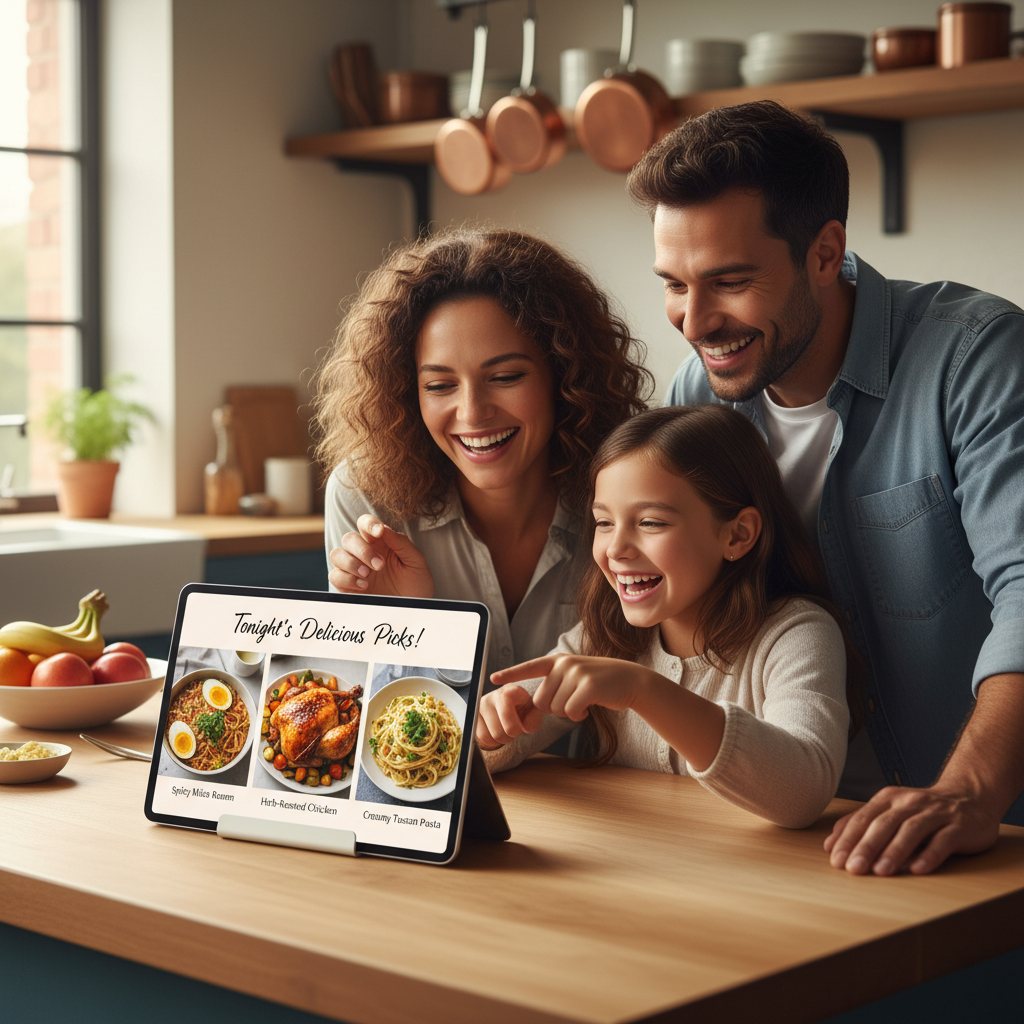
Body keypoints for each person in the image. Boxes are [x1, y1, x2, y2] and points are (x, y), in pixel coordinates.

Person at [626, 99, 1024, 874]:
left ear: (824, 252)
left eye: (729, 281)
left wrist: (971, 790)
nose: (695, 322)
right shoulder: (696, 397)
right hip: (792, 835)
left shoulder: (977, 358)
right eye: (674, 284)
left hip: (987, 838)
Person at [476, 405, 854, 828]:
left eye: (651, 522)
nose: (616, 549)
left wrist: (643, 690)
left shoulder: (797, 635)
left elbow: (803, 791)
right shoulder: (603, 635)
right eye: (604, 522)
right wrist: (492, 730)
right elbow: (492, 746)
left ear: (738, 534)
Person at [312, 227, 651, 678]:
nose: (472, 413)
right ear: (408, 393)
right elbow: (364, 703)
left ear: (565, 375)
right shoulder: (365, 498)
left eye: (506, 377)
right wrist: (410, 629)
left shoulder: (634, 492)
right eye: (439, 385)